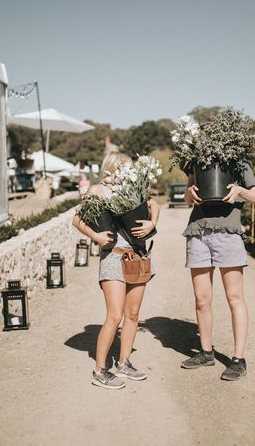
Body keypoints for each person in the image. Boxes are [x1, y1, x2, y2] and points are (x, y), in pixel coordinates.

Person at [72, 152, 160, 390]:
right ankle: (99, 370)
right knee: (115, 315)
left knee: (133, 313)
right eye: (123, 167)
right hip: (113, 257)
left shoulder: (133, 189)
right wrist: (96, 236)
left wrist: (152, 223)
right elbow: (77, 219)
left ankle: (123, 362)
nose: (126, 171)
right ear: (111, 167)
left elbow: (154, 204)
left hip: (138, 255)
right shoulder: (97, 191)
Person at [181, 162, 255, 381]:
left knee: (234, 297)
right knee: (201, 299)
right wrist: (189, 193)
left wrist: (239, 191)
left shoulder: (239, 162)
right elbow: (187, 199)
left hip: (228, 233)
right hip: (198, 233)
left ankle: (238, 360)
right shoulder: (195, 164)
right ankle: (206, 353)